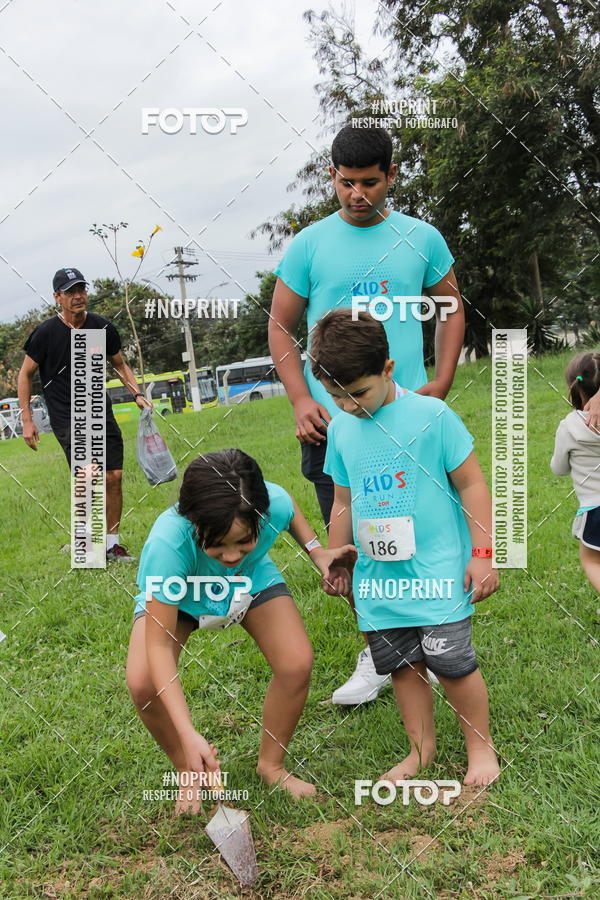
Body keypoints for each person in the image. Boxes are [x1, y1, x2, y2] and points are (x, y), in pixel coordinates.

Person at [269, 124, 465, 704]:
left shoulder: (422, 238)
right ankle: (381, 651)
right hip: (334, 423)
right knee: (354, 538)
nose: (358, 194)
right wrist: (303, 399)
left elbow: (450, 309)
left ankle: (434, 637)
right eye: (346, 182)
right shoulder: (309, 245)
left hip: (406, 416)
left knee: (421, 529)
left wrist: (444, 376)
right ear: (332, 176)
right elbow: (280, 325)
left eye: (370, 183)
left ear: (391, 178)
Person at [310, 309, 500, 786]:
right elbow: (343, 499)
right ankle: (421, 751)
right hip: (378, 580)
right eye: (336, 397)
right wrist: (339, 557)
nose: (349, 405)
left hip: (437, 574)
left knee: (452, 664)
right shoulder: (340, 429)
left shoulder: (432, 416)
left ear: (389, 370)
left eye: (358, 393)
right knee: (402, 667)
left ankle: (481, 751)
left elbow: (473, 485)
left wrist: (482, 555)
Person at [126, 448, 356, 813]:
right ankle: (189, 772)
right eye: (217, 544)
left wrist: (317, 551)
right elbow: (157, 649)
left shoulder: (269, 504)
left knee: (296, 663)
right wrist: (188, 735)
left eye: (243, 542)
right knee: (143, 684)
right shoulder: (168, 543)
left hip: (249, 582)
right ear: (192, 523)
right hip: (185, 593)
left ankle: (271, 766)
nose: (232, 555)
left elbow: (289, 507)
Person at [17, 267, 151, 562]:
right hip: (67, 417)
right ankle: (86, 543)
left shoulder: (101, 328)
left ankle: (111, 545)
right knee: (88, 475)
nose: (78, 296)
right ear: (57, 297)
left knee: (113, 476)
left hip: (101, 411)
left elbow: (119, 364)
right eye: (70, 291)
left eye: (81, 289)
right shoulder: (45, 333)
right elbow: (25, 374)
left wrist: (137, 393)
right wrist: (26, 420)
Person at [551, 352, 600, 592]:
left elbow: (558, 469)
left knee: (592, 560)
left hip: (595, 509)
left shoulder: (569, 426)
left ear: (576, 389)